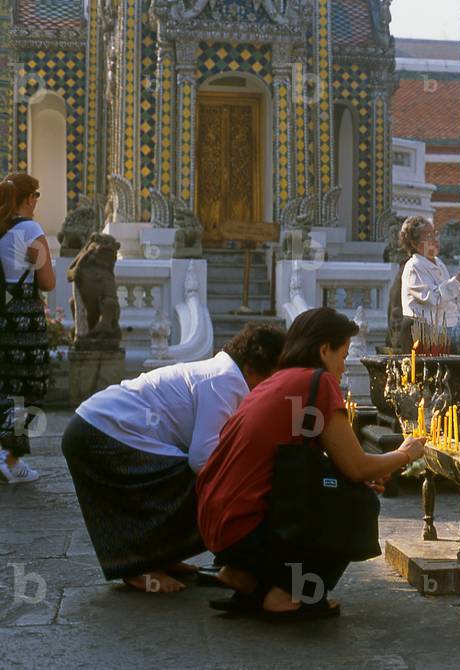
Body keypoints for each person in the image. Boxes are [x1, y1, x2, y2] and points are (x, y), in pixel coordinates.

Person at [197, 307, 427, 621]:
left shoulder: (277, 380)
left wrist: (355, 473)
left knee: (344, 486)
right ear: (323, 350)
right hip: (246, 526)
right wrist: (405, 454)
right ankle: (289, 593)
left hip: (218, 523)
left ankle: (245, 575)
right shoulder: (316, 381)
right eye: (343, 356)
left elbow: (309, 462)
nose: (344, 368)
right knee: (357, 504)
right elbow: (356, 466)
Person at [60, 323, 286, 593]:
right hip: (100, 432)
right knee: (193, 487)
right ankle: (139, 567)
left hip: (95, 426)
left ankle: (160, 556)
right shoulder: (224, 380)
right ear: (252, 367)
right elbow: (203, 459)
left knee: (190, 485)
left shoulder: (225, 375)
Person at [0, 173, 55, 484]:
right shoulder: (30, 230)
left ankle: (9, 458)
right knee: (30, 389)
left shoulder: (2, 230)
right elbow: (48, 281)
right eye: (36, 195)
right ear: (28, 198)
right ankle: (9, 457)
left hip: (3, 314)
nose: (36, 202)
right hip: (26, 321)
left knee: (5, 386)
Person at [398, 215, 460, 351]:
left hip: (443, 331)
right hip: (421, 332)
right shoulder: (414, 266)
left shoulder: (439, 263)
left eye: (435, 234)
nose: (435, 239)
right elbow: (434, 299)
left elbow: (447, 301)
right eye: (429, 236)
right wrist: (459, 278)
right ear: (414, 242)